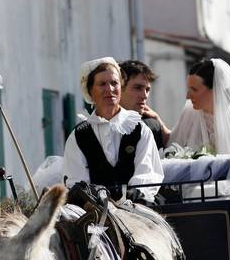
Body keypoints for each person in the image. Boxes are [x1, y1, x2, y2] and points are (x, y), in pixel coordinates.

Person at [62, 57, 163, 201]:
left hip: (136, 207)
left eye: (114, 83)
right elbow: (76, 181)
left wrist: (133, 197)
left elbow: (147, 173)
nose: (109, 89)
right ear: (90, 91)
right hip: (95, 212)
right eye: (102, 84)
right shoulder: (79, 136)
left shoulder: (140, 129)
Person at [169, 58, 230, 160]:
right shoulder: (189, 114)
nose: (188, 96)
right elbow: (174, 142)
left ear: (215, 90)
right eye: (189, 89)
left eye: (194, 90)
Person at [119, 60, 171, 150]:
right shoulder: (96, 125)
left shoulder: (152, 126)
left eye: (147, 90)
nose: (145, 96)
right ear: (118, 88)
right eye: (137, 88)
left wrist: (159, 123)